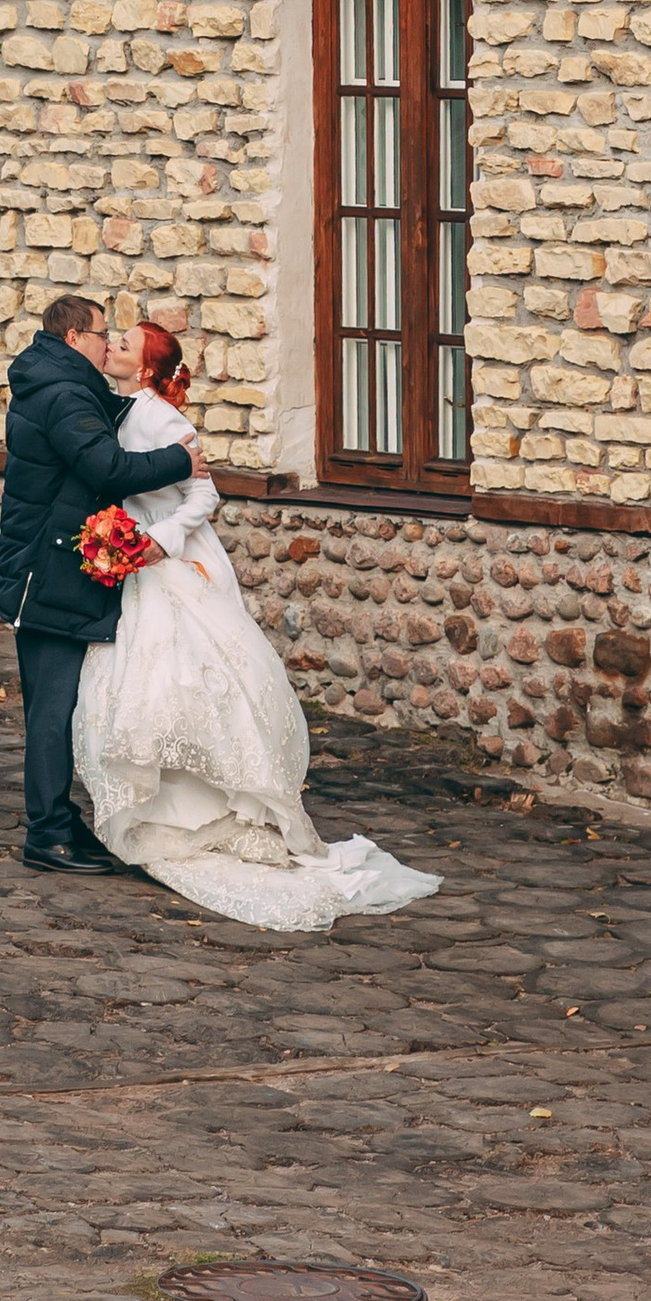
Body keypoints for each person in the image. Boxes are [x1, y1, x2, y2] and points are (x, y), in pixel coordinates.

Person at [72, 320, 441, 927]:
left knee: (192, 677)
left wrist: (159, 540)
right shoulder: (115, 408)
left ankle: (216, 809)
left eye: (123, 345)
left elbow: (204, 496)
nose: (110, 345)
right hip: (137, 563)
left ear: (145, 370)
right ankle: (161, 812)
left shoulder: (165, 420)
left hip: (175, 560)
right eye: (110, 338)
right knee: (140, 682)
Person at [0, 290, 205, 874]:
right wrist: (181, 462)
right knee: (52, 706)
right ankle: (45, 834)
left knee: (62, 704)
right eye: (99, 334)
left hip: (49, 566)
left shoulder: (62, 387)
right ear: (73, 339)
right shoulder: (64, 394)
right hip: (46, 571)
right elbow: (104, 467)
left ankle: (62, 822)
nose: (106, 342)